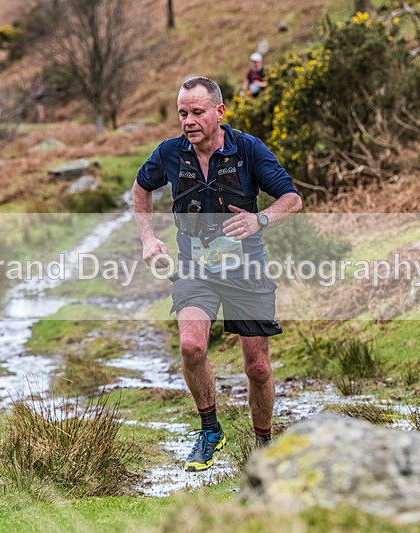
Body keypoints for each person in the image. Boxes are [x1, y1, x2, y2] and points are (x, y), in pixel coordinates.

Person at [134, 76, 302, 472]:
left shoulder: (248, 149)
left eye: (196, 112)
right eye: (182, 113)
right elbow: (141, 189)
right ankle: (210, 429)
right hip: (195, 270)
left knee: (256, 367)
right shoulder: (170, 154)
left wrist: (260, 219)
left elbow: (291, 199)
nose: (188, 121)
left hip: (247, 270)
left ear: (219, 112)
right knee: (192, 345)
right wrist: (148, 239)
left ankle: (263, 445)